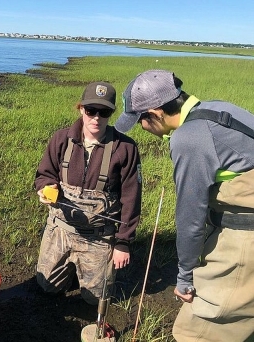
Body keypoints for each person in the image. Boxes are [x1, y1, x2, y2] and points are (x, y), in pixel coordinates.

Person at [115, 69, 254, 341]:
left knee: (200, 330)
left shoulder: (189, 138)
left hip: (245, 239)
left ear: (155, 114)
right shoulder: (220, 109)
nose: (142, 130)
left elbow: (190, 219)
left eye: (140, 121)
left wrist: (185, 277)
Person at [34, 81, 142, 305]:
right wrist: (46, 187)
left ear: (111, 113)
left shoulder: (126, 148)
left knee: (95, 300)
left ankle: (89, 270)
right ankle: (70, 268)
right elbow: (44, 174)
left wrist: (123, 243)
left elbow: (131, 198)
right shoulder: (61, 139)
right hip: (60, 229)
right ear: (81, 108)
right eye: (91, 110)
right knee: (47, 286)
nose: (96, 118)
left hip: (99, 236)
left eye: (103, 112)